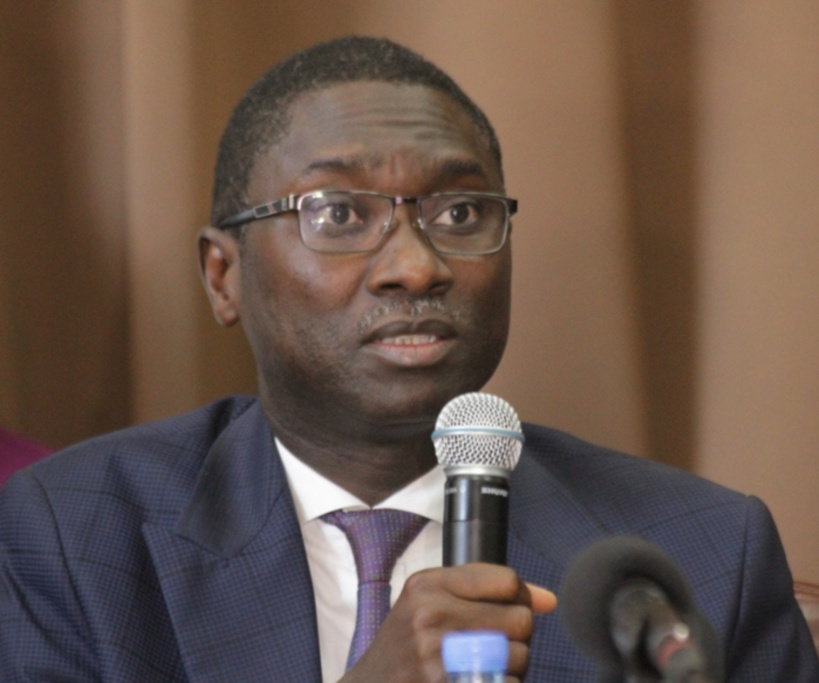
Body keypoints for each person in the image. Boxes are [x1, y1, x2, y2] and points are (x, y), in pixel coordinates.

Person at [0, 36, 816, 682]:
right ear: (224, 276)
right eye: (339, 213)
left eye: (459, 212)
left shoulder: (701, 555)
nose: (417, 266)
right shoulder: (73, 535)